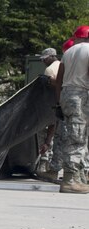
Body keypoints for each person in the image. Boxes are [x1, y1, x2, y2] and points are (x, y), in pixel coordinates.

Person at [53, 25, 89, 194]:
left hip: (66, 94)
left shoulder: (68, 52)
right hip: (81, 94)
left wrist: (60, 101)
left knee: (76, 134)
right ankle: (70, 179)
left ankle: (79, 176)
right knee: (77, 137)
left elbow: (59, 79)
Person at [36, 48, 63, 184]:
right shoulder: (64, 65)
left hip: (52, 106)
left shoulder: (50, 70)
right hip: (64, 106)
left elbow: (50, 91)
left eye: (45, 58)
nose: (43, 61)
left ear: (52, 56)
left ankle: (45, 163)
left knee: (46, 133)